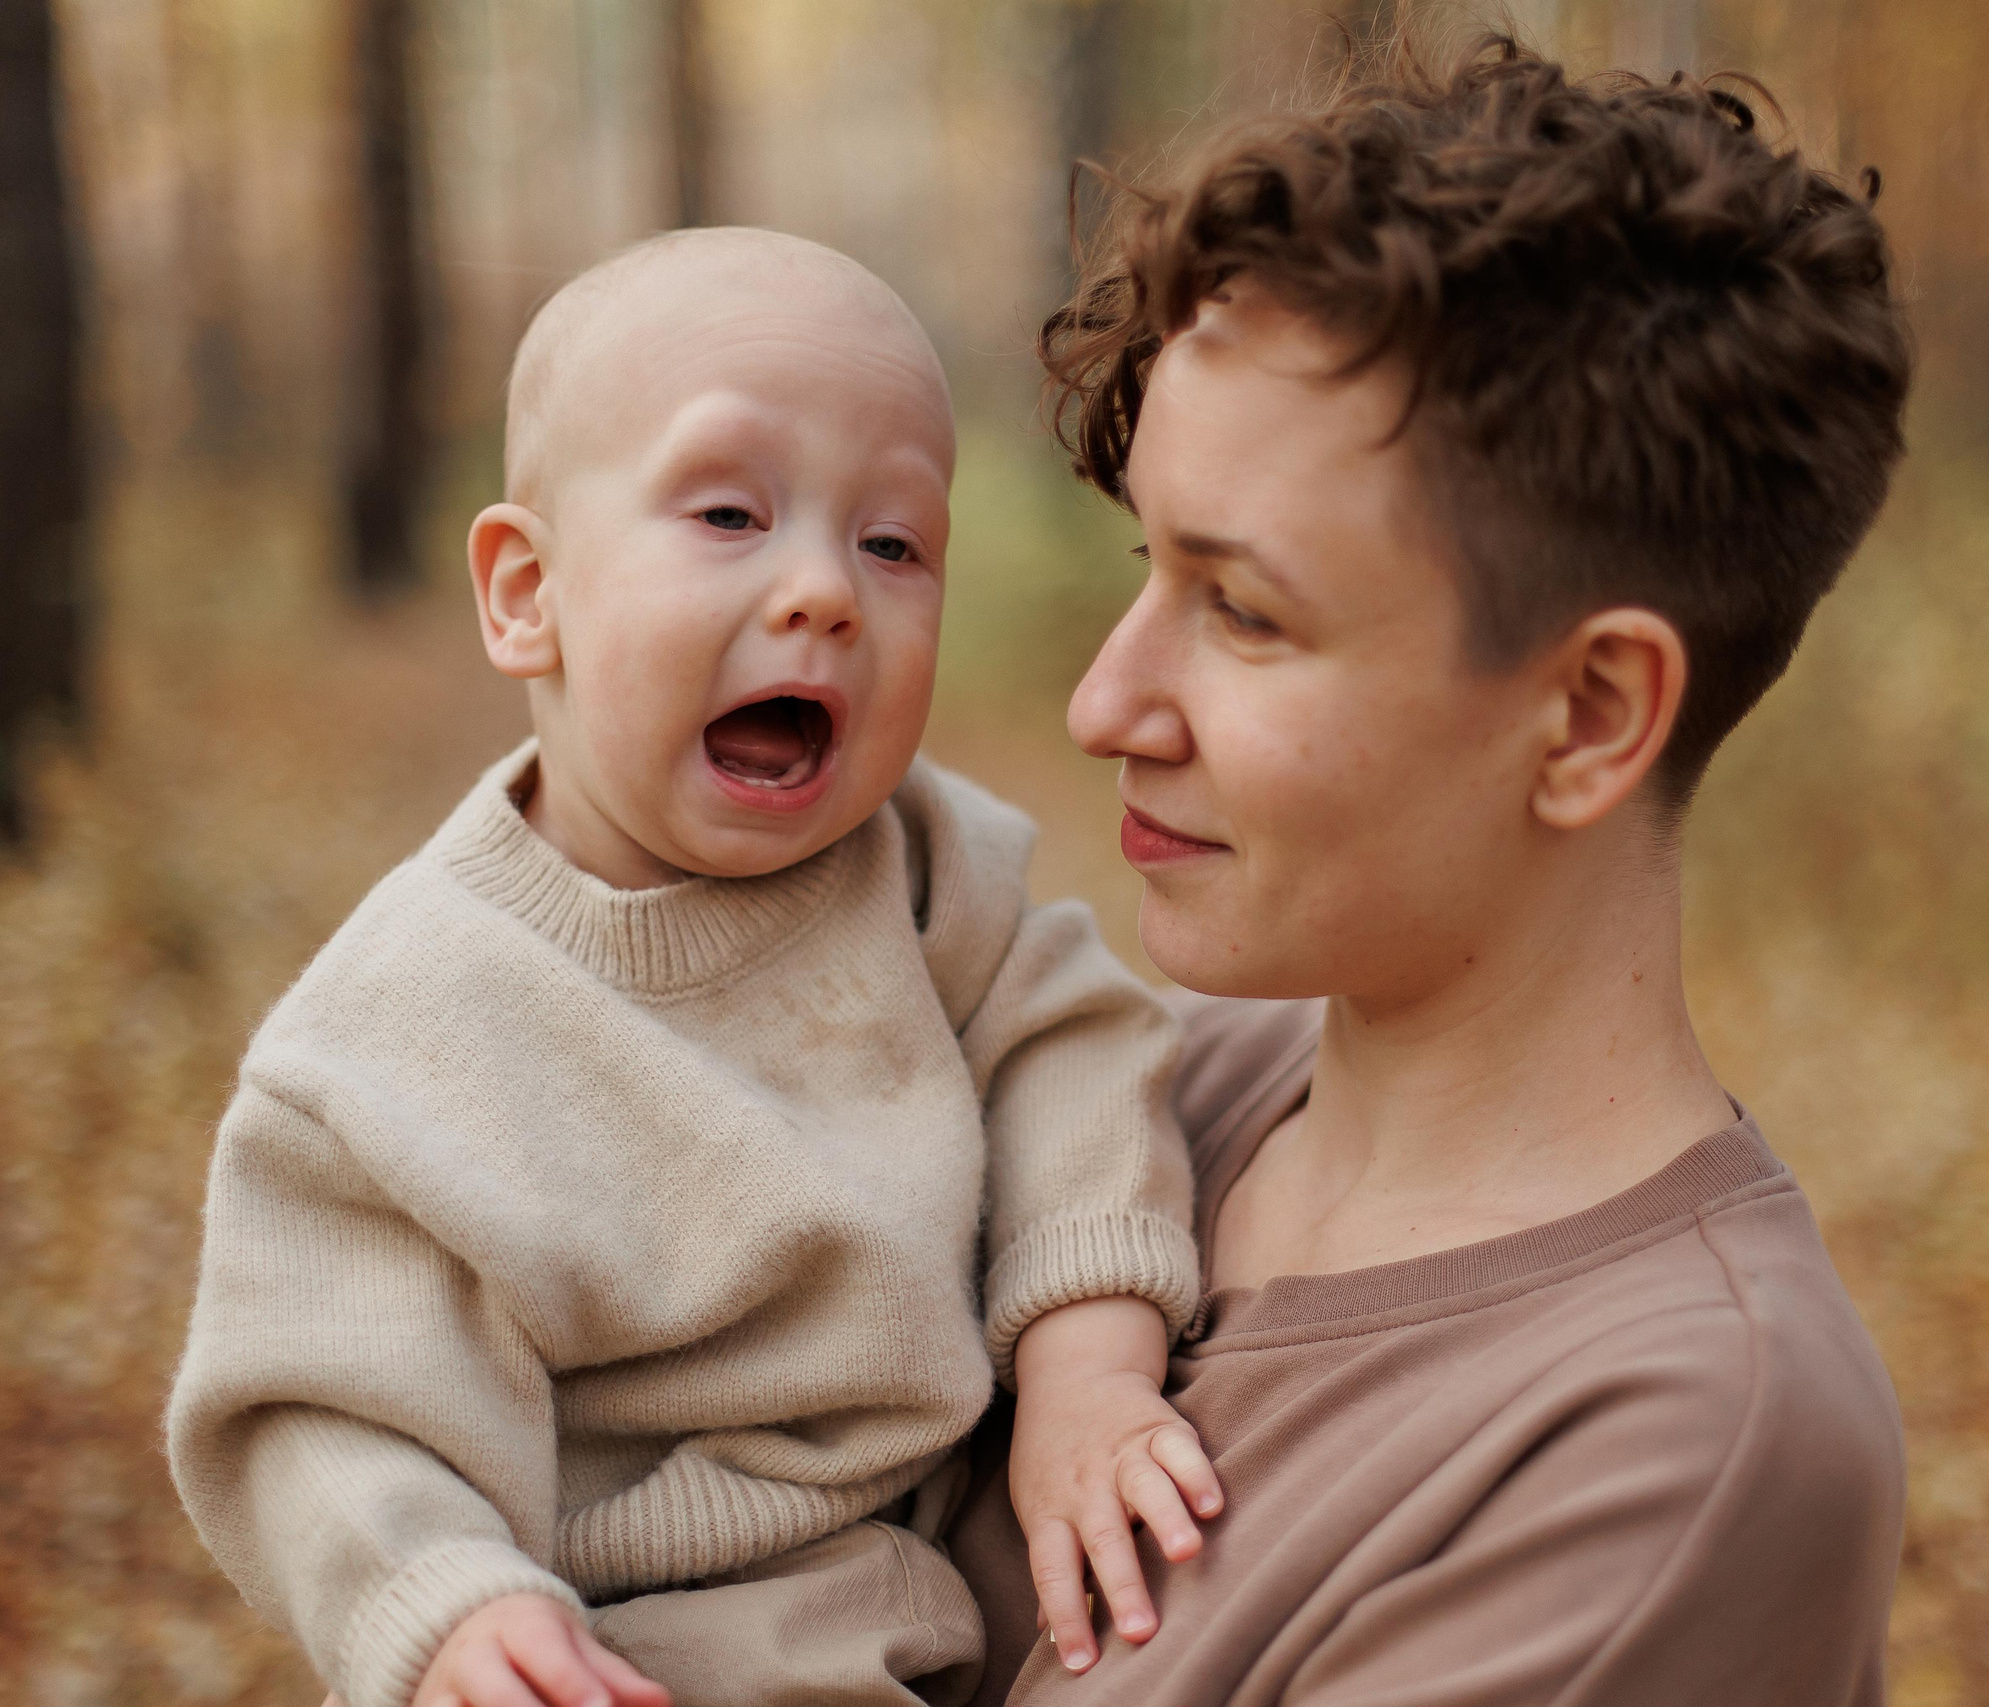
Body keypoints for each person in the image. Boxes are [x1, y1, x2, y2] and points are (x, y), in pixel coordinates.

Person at [948, 35, 1916, 1706]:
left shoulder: (1679, 1446)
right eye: (1143, 565)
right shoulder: (1114, 1100)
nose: (1103, 702)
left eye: (1241, 610)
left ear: (1592, 715)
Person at [165, 229, 1228, 1707]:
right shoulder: (400, 1036)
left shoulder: (930, 871)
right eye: (731, 514)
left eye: (894, 543)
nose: (826, 593)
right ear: (526, 592)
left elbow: (1080, 1063)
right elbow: (322, 1403)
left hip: (909, 1588)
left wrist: (1088, 1370)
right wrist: (444, 1603)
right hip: (608, 1636)